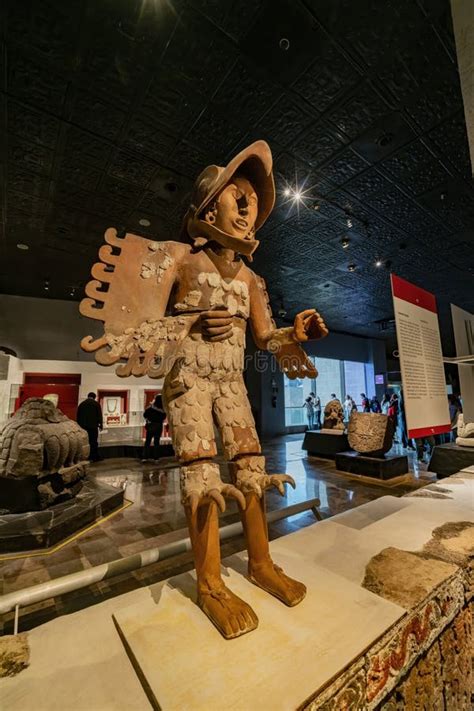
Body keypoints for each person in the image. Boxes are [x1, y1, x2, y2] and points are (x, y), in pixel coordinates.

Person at [76, 392, 103, 462]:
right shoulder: (96, 404)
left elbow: (78, 416)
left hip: (83, 427)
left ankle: (84, 457)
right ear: (94, 397)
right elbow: (99, 415)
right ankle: (94, 457)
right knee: (93, 442)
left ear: (88, 396)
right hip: (93, 427)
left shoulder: (82, 404)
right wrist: (101, 425)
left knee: (84, 442)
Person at [143, 395, 167, 461]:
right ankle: (156, 458)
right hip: (158, 426)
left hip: (151, 425)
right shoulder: (162, 410)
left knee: (148, 441)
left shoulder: (151, 408)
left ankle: (145, 457)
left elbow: (145, 415)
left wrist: (150, 418)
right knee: (156, 442)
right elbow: (164, 417)